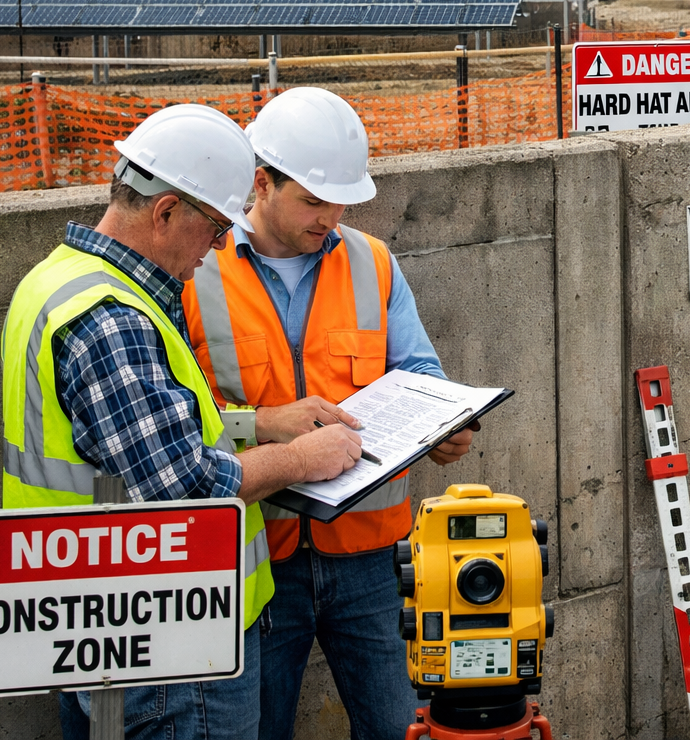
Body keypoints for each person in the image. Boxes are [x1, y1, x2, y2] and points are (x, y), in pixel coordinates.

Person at [1, 104, 363, 740]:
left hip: (100, 624)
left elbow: (140, 440)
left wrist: (262, 423)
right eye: (215, 228)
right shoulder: (111, 319)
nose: (220, 246)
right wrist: (305, 459)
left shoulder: (58, 281)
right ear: (166, 212)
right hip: (169, 643)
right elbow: (187, 488)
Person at [181, 88, 476, 740]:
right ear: (261, 182)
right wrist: (266, 422)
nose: (331, 216)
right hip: (257, 561)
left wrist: (442, 426)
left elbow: (419, 372)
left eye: (342, 199)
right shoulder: (196, 274)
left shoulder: (372, 262)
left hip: (368, 560)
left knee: (399, 729)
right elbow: (189, 424)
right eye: (314, 200)